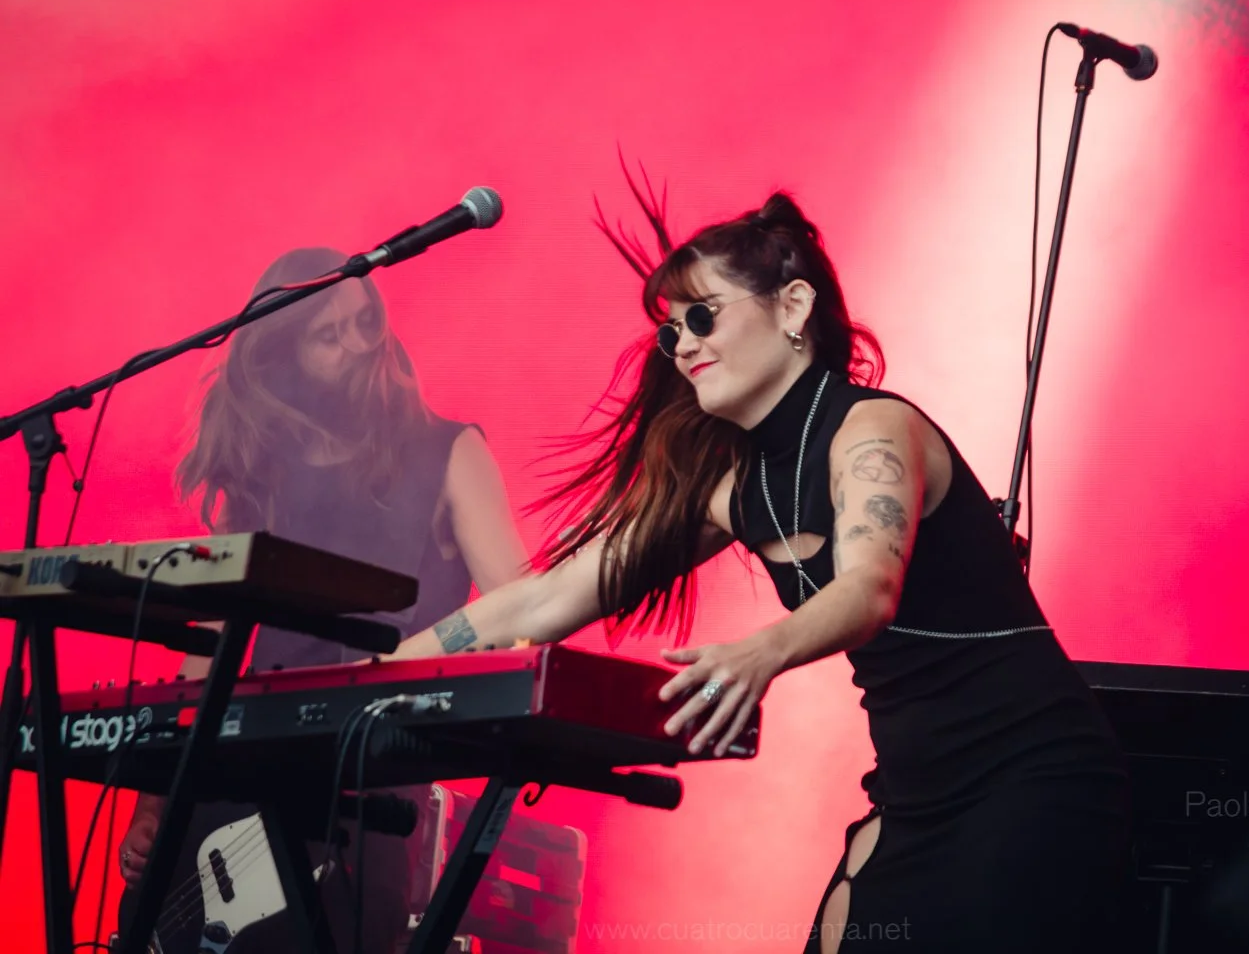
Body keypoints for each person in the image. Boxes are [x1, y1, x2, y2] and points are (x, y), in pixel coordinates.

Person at [384, 179, 1133, 951]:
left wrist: (758, 654)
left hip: (1030, 777)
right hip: (915, 791)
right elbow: (543, 601)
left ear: (794, 308)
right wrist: (379, 676)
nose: (684, 346)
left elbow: (870, 588)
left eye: (702, 316)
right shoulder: (732, 489)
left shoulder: (873, 429)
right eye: (671, 332)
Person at [116, 246, 530, 953]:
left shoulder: (448, 450)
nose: (358, 346)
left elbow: (521, 611)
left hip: (367, 786)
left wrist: (435, 659)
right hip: (232, 779)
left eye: (365, 322)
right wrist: (153, 800)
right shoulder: (263, 472)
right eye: (328, 335)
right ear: (283, 357)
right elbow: (207, 652)